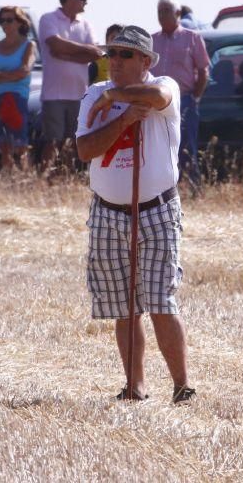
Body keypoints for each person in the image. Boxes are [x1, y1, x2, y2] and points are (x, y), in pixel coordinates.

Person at [75, 25, 194, 404]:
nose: (116, 61)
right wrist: (123, 118)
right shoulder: (93, 95)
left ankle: (181, 386)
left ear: (145, 60)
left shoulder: (164, 86)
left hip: (156, 210)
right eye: (112, 54)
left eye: (125, 55)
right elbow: (84, 149)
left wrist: (116, 96)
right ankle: (135, 385)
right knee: (124, 306)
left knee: (160, 300)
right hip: (108, 212)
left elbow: (158, 96)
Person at [38, 0, 103, 172]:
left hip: (78, 95)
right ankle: (42, 179)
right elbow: (55, 45)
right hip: (54, 95)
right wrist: (82, 52)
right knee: (53, 141)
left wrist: (67, 55)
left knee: (73, 142)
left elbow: (96, 53)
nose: (86, 2)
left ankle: (66, 178)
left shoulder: (86, 24)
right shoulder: (48, 19)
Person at [151, 0, 211, 186]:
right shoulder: (152, 40)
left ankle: (192, 187)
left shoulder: (192, 38)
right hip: (155, 101)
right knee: (158, 145)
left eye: (166, 10)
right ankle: (162, 186)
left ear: (177, 14)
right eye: (159, 11)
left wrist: (195, 97)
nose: (162, 15)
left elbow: (203, 71)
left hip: (184, 100)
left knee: (185, 146)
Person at [0, 6, 36, 171]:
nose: (5, 24)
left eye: (9, 20)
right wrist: (9, 75)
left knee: (20, 141)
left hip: (17, 97)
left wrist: (0, 75)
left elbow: (24, 70)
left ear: (20, 22)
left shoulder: (28, 45)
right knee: (3, 143)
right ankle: (8, 174)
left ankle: (25, 175)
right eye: (2, 20)